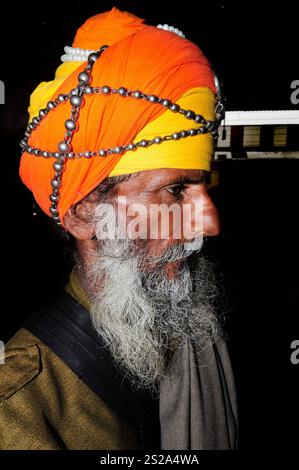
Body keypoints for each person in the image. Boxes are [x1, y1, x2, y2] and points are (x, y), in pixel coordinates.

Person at [0, 7, 238, 450]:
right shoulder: (18, 409)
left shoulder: (194, 330)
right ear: (84, 213)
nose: (208, 223)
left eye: (205, 188)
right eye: (175, 190)